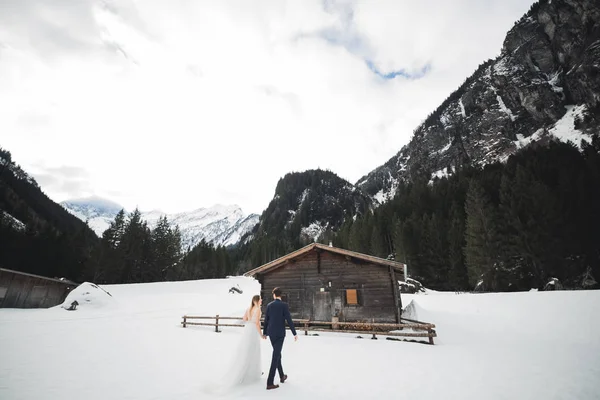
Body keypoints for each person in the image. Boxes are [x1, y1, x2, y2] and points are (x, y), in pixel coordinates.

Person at [262, 287, 298, 390]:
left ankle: (282, 376)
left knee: (277, 354)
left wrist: (265, 332)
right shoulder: (284, 305)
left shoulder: (269, 305)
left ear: (274, 295)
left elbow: (266, 320)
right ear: (280, 295)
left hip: (271, 334)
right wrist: (294, 333)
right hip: (280, 334)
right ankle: (270, 382)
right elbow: (289, 320)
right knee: (275, 356)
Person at [227, 295, 263, 386]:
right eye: (260, 299)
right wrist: (261, 334)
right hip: (254, 331)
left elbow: (244, 319)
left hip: (248, 330)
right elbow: (257, 324)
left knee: (246, 350)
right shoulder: (258, 309)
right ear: (257, 301)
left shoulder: (249, 309)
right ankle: (252, 373)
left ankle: (246, 371)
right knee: (253, 350)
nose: (261, 300)